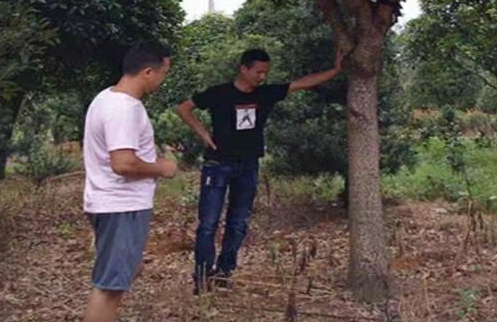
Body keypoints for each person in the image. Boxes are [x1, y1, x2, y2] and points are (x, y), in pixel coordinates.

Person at [176, 46, 344, 292]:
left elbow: (302, 83)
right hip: (218, 164)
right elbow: (184, 108)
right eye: (258, 72)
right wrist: (204, 135)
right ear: (243, 69)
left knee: (238, 223)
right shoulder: (219, 93)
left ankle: (224, 272)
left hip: (248, 165)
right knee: (208, 224)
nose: (262, 77)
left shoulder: (266, 94)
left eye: (266, 72)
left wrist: (336, 69)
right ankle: (202, 278)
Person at [82, 41, 178, 322]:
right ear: (148, 72)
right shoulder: (124, 109)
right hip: (121, 206)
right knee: (110, 288)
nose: (164, 79)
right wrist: (163, 168)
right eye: (164, 73)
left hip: (113, 204)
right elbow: (123, 163)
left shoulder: (106, 98)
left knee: (127, 270)